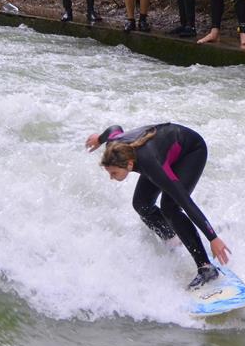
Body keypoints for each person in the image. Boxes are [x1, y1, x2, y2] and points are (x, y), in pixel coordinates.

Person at [86, 123, 231, 288]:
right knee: (142, 204)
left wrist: (213, 238)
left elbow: (185, 201)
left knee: (170, 207)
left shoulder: (152, 165)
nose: (111, 177)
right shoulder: (113, 148)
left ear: (129, 165)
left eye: (114, 173)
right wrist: (99, 139)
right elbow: (114, 129)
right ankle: (173, 239)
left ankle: (206, 268)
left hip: (191, 150)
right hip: (162, 151)